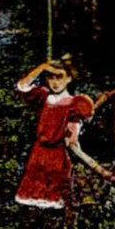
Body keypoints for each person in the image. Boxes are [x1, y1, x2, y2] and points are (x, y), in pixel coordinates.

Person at [13, 58, 95, 212]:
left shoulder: (74, 103)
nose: (55, 82)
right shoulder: (43, 97)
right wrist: (42, 67)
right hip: (38, 155)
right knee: (32, 203)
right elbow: (22, 86)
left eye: (60, 77)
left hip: (57, 156)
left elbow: (73, 133)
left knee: (55, 202)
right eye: (51, 77)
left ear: (69, 79)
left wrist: (73, 144)